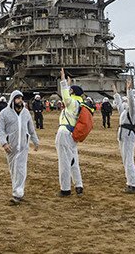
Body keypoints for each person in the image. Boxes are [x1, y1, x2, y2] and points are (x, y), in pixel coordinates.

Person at [0, 90, 39, 205]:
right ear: (13, 99)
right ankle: (17, 189)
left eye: (21, 98)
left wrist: (35, 141)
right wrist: (4, 143)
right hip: (11, 147)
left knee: (20, 169)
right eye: (17, 98)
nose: (20, 100)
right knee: (13, 170)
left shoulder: (26, 113)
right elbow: (0, 130)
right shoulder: (4, 113)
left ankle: (18, 194)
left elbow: (31, 129)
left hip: (23, 146)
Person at [55, 68, 86, 196]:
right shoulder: (80, 103)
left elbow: (66, 98)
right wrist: (67, 85)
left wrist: (63, 81)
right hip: (73, 134)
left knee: (64, 162)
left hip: (64, 133)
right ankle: (78, 185)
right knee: (73, 160)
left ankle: (65, 189)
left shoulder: (72, 103)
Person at [114, 78, 135, 193]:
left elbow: (131, 102)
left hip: (128, 137)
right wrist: (115, 93)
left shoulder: (132, 112)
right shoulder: (124, 113)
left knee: (128, 160)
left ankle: (132, 185)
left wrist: (129, 90)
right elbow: (119, 106)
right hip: (123, 136)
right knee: (128, 160)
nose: (125, 102)